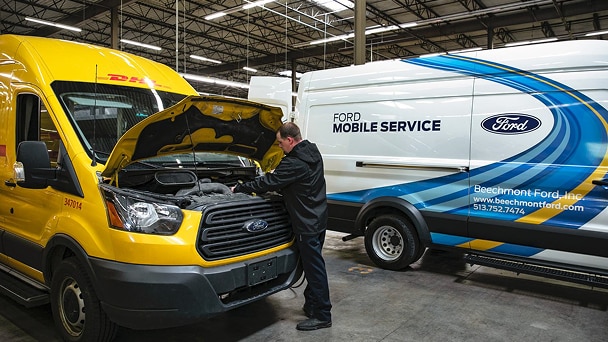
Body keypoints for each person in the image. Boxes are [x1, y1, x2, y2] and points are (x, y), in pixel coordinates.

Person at [232, 122, 332, 331]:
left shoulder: (294, 163)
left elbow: (268, 182)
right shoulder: (313, 152)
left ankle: (323, 315)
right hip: (319, 217)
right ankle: (312, 304)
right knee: (313, 266)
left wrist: (240, 187)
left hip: (306, 223)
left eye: (280, 143)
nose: (278, 147)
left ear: (290, 140)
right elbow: (300, 184)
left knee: (314, 270)